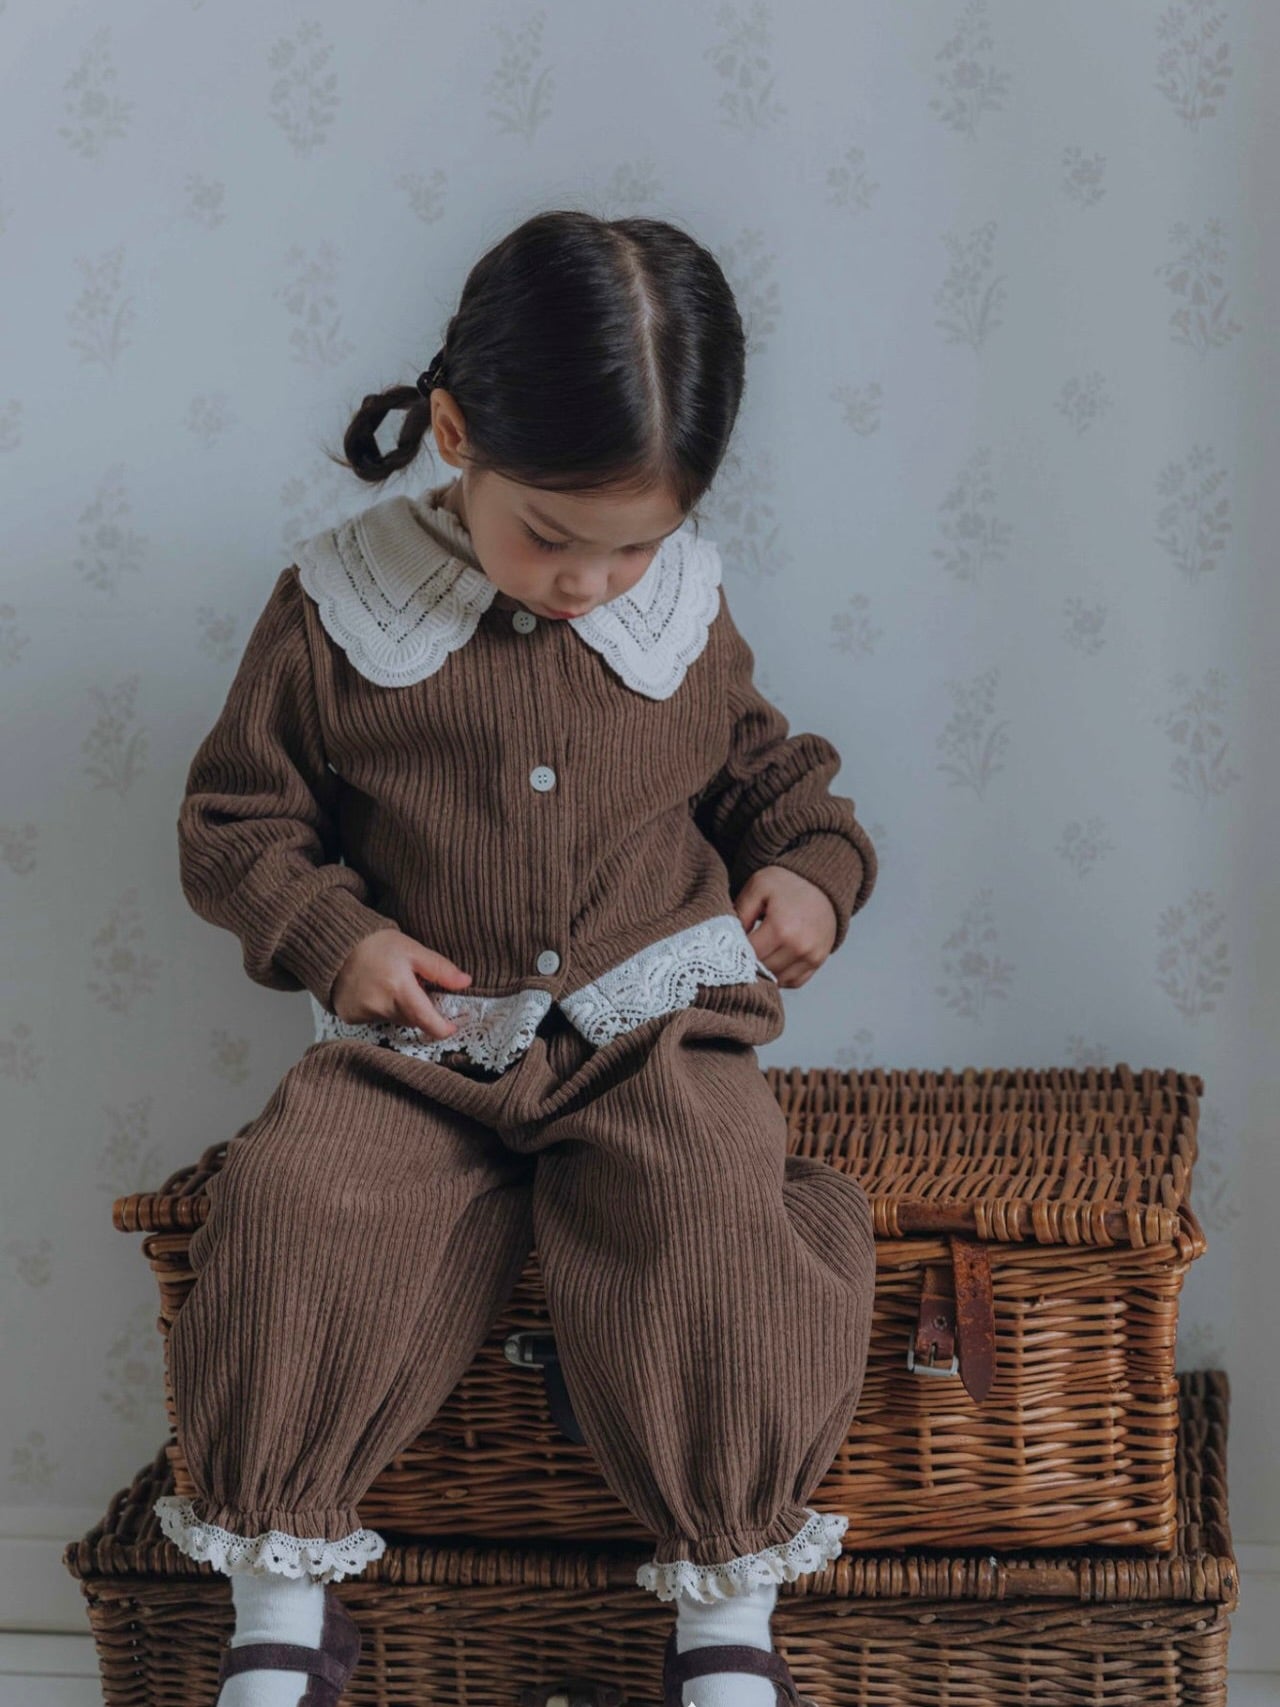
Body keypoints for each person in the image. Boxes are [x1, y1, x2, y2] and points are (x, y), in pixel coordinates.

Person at [155, 207, 879, 1707]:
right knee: (295, 1206)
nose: (588, 585)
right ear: (455, 433)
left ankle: (725, 1613)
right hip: (426, 1040)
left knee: (708, 1215)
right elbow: (236, 824)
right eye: (553, 537)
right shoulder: (335, 610)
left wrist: (812, 876)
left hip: (656, 1028)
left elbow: (778, 784)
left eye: (635, 547)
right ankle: (282, 1605)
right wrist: (331, 938)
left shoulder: (680, 614)